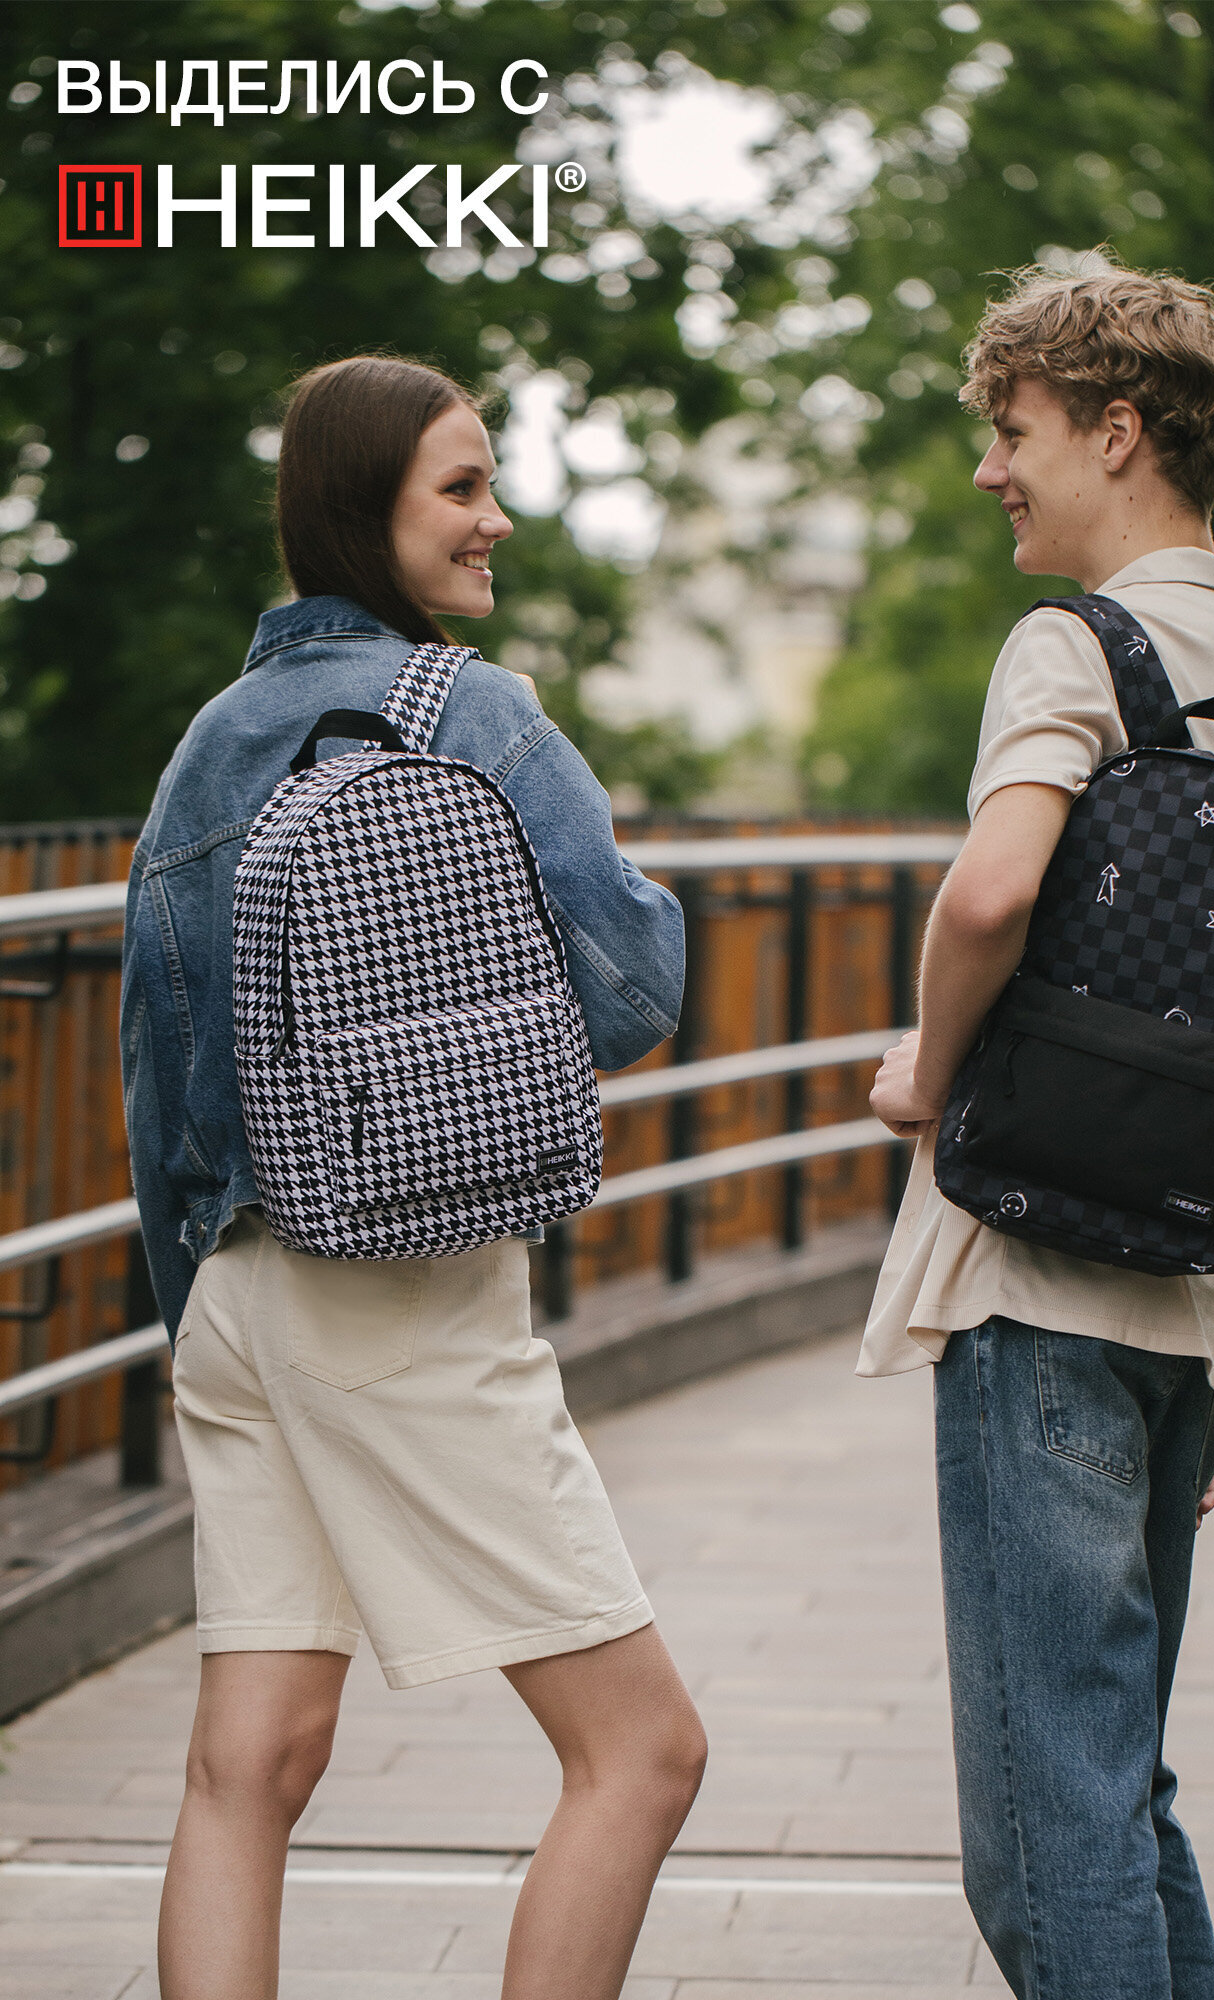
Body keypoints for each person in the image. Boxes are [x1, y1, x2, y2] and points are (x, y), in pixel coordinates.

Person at [121, 355, 707, 2000]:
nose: (496, 518)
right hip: (397, 1292)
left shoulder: (207, 751)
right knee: (645, 1754)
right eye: (460, 487)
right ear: (364, 507)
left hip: (233, 1296)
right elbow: (635, 996)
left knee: (254, 1763)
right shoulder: (474, 713)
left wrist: (198, 1309)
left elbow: (160, 1059)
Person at [864, 259, 1214, 1999]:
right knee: (1115, 1788)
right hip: (1203, 1294)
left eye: (1016, 427)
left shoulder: (1077, 642)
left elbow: (993, 893)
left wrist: (923, 1066)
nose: (993, 466)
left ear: (1115, 431)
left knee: (1045, 1833)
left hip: (1045, 1283)